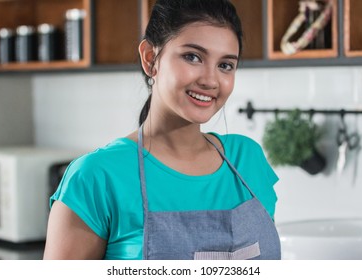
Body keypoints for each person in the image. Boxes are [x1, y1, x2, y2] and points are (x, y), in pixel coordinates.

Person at [43, 0, 280, 260]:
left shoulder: (247, 159)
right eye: (192, 57)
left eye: (225, 65)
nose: (210, 80)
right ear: (150, 58)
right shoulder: (95, 177)